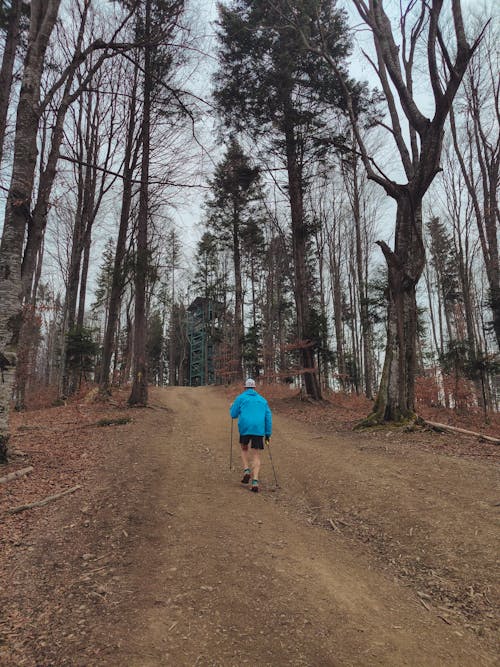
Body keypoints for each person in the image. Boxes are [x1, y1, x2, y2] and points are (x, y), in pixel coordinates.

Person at [230, 378, 272, 493]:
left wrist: (232, 406)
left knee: (244, 448)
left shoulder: (240, 398)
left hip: (245, 428)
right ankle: (255, 481)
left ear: (245, 388)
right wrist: (268, 434)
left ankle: (246, 470)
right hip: (258, 429)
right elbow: (268, 418)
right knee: (256, 455)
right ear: (254, 388)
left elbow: (233, 415)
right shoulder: (263, 400)